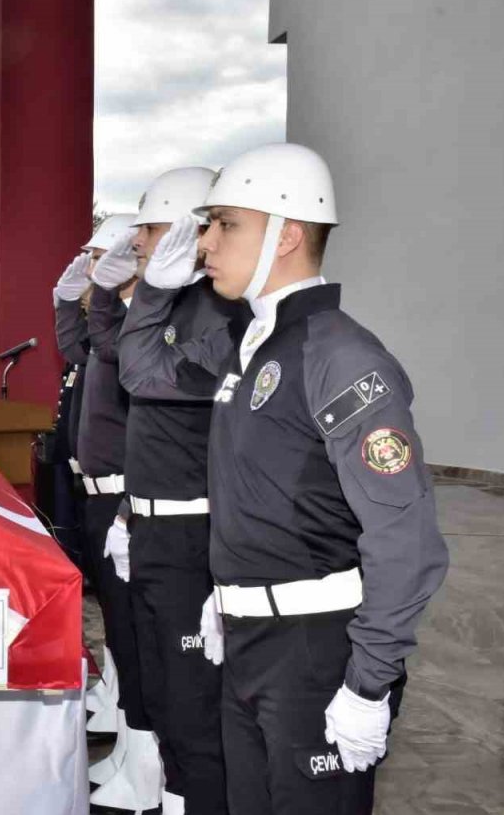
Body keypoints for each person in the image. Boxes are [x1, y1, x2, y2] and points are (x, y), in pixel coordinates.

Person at [179, 143, 447, 815]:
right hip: (249, 644)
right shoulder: (254, 345)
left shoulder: (339, 355)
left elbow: (405, 538)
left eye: (226, 223)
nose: (206, 240)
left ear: (287, 232)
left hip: (315, 653)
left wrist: (368, 683)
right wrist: (232, 591)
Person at [98, 167, 244, 815]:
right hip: (156, 528)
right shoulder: (177, 305)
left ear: (187, 230)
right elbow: (154, 430)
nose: (138, 242)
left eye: (152, 228)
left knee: (193, 711)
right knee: (163, 696)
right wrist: (131, 512)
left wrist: (152, 297)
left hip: (194, 537)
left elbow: (141, 376)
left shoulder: (219, 314)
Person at [56, 213, 161, 801]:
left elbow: (106, 348)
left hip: (126, 493)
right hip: (98, 491)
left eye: (99, 256)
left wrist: (106, 296)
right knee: (120, 628)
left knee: (133, 629)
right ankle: (129, 745)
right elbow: (76, 348)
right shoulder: (111, 327)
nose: (91, 265)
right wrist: (65, 300)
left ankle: (144, 763)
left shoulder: (134, 326)